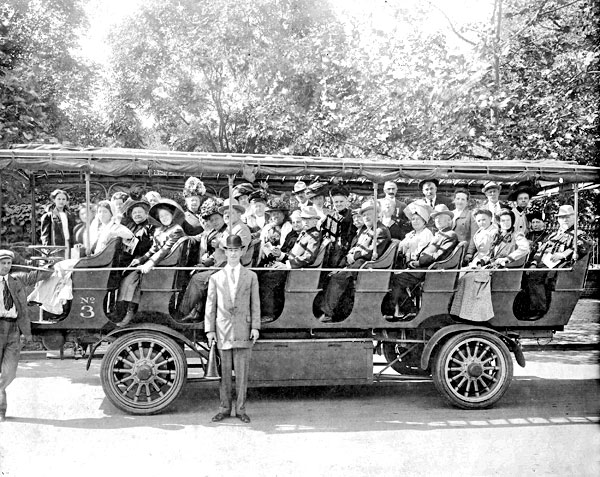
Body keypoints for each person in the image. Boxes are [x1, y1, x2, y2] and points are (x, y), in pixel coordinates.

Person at [205, 235, 260, 424]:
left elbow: (255, 304)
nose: (233, 253)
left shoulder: (251, 276)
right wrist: (209, 330)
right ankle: (224, 409)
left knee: (242, 374)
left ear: (242, 251)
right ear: (225, 252)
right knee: (225, 374)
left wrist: (255, 327)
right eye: (230, 250)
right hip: (222, 331)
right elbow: (210, 305)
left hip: (244, 329)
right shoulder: (216, 277)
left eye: (236, 250)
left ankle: (241, 409)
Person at [317, 201, 391, 323]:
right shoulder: (366, 231)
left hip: (367, 268)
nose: (366, 217)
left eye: (369, 214)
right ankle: (337, 312)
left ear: (377, 215)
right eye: (364, 215)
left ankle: (327, 313)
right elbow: (355, 247)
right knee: (330, 274)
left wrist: (353, 256)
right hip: (357, 265)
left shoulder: (380, 231)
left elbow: (370, 252)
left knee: (337, 278)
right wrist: (350, 255)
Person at [450, 209, 529, 322]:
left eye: (508, 220)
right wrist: (480, 262)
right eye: (503, 221)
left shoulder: (517, 235)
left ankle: (475, 315)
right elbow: (491, 254)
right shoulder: (499, 235)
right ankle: (463, 313)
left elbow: (525, 249)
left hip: (505, 270)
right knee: (464, 275)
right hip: (493, 267)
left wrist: (508, 258)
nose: (505, 223)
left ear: (513, 221)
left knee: (471, 278)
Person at [0, 249, 52, 421]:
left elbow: (43, 274)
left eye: (8, 263)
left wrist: (42, 264)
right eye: (2, 263)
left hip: (13, 329)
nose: (6, 267)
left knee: (10, 372)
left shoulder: (17, 279)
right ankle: (1, 410)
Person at [179, 199, 250, 322]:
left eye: (231, 213)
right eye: (225, 213)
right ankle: (196, 312)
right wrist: (205, 263)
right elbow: (219, 255)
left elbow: (237, 250)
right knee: (195, 273)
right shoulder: (229, 229)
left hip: (232, 269)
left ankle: (182, 313)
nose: (227, 215)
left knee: (198, 280)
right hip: (221, 266)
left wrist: (220, 243)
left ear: (239, 214)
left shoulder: (242, 229)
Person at [383, 204, 458, 321]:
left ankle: (401, 311)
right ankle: (406, 309)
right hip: (423, 266)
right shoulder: (439, 234)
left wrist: (419, 262)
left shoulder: (449, 235)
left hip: (429, 270)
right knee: (394, 277)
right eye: (436, 218)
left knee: (395, 279)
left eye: (441, 217)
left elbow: (437, 255)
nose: (437, 220)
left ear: (448, 220)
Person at [118, 199, 186, 327]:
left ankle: (131, 312)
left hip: (164, 267)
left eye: (166, 215)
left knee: (133, 278)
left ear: (173, 215)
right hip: (159, 264)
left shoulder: (176, 229)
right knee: (129, 275)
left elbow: (164, 250)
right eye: (161, 216)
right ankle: (126, 310)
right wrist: (141, 259)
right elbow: (154, 249)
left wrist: (150, 264)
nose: (164, 218)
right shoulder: (160, 230)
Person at [523, 205, 591, 318]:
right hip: (544, 265)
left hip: (559, 269)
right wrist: (534, 263)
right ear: (558, 219)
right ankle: (527, 308)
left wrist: (563, 254)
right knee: (525, 274)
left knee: (534, 278)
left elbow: (585, 246)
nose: (565, 219)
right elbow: (540, 251)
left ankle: (539, 311)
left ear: (574, 218)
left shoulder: (579, 234)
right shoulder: (553, 235)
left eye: (568, 217)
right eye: (562, 217)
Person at [258, 206, 322, 323]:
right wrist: (281, 257)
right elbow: (294, 254)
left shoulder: (315, 235)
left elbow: (308, 257)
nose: (305, 222)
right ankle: (267, 311)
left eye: (308, 219)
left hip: (298, 271)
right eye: (304, 219)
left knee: (267, 278)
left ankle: (270, 314)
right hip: (292, 266)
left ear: (316, 221)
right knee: (262, 271)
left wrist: (286, 265)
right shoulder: (305, 233)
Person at [321, 186, 357, 267]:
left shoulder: (352, 216)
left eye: (341, 201)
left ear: (347, 201)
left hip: (346, 250)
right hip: (331, 250)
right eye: (336, 202)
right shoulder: (330, 216)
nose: (339, 204)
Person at [395, 202, 434, 269]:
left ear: (424, 221)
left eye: (418, 219)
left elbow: (421, 253)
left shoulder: (426, 234)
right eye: (413, 219)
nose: (415, 221)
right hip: (405, 265)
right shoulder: (411, 234)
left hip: (417, 266)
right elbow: (401, 247)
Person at [40, 189, 76, 257]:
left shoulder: (71, 216)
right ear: (54, 200)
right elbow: (45, 236)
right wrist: (47, 250)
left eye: (63, 199)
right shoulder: (48, 216)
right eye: (59, 199)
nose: (61, 201)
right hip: (56, 247)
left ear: (66, 201)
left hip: (69, 245)